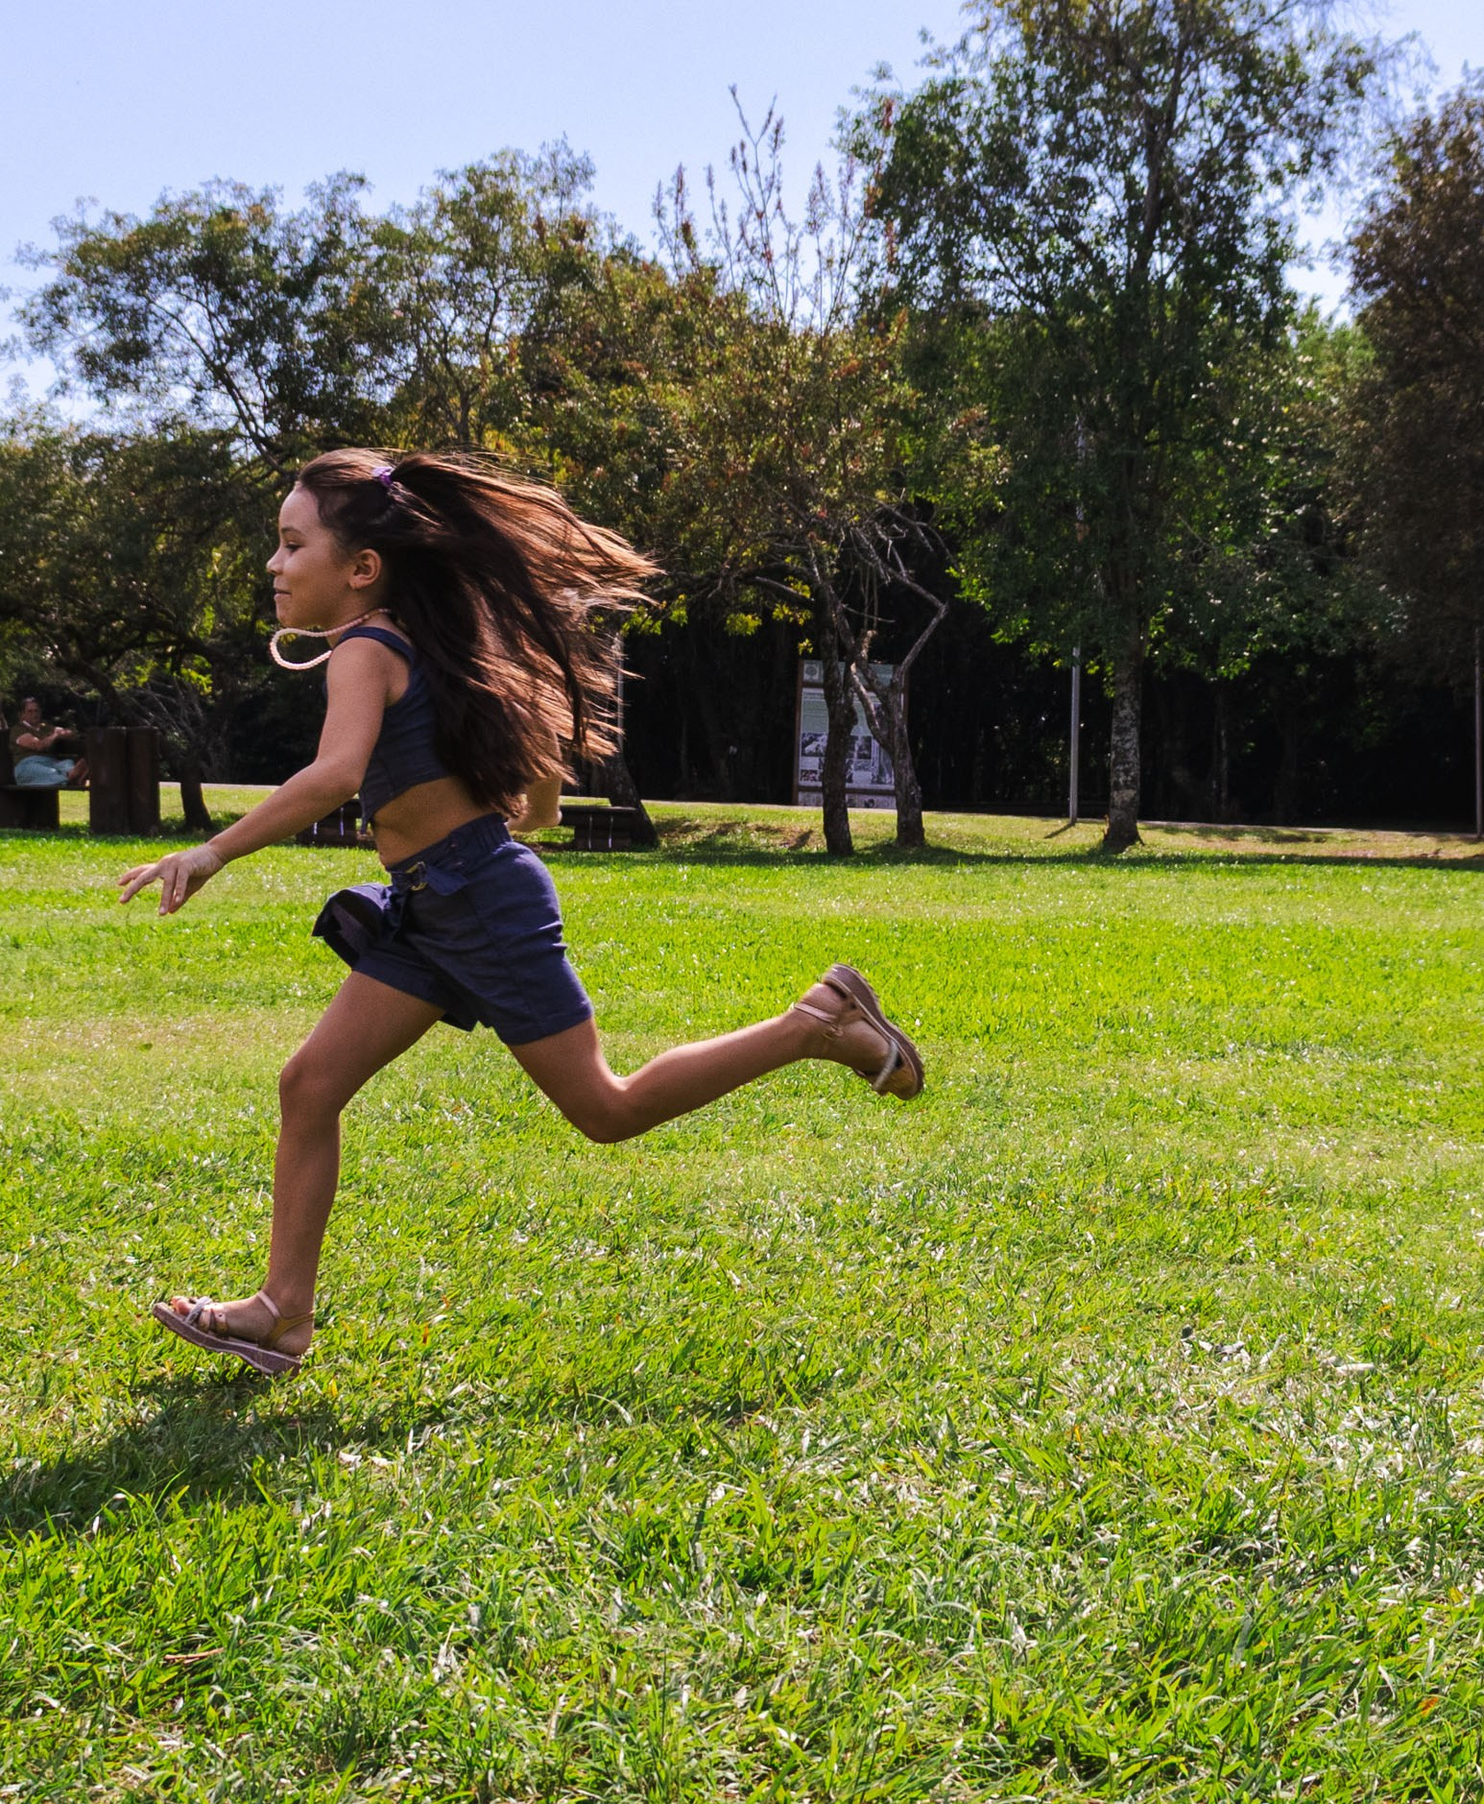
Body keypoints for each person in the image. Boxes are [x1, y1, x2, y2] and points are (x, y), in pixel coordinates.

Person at [118, 447, 926, 1379]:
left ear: (363, 567)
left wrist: (212, 851)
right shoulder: (417, 642)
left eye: (293, 545)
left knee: (606, 1109)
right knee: (309, 1086)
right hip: (433, 904)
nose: (274, 563)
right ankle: (281, 1314)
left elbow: (335, 776)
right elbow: (527, 790)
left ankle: (816, 1024)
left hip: (477, 902)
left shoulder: (367, 648)